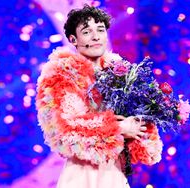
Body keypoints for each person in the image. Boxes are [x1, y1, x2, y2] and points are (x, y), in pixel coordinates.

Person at [36, 5, 149, 188]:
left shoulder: (120, 75)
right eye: (87, 32)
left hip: (115, 170)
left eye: (100, 30)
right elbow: (64, 129)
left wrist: (142, 123)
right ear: (73, 39)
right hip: (84, 174)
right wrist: (117, 127)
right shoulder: (63, 75)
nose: (96, 37)